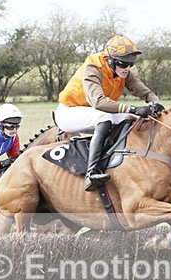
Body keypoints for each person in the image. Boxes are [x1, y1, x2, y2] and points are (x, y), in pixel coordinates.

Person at [55, 35, 165, 191]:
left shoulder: (120, 70)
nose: (127, 68)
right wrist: (133, 108)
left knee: (133, 118)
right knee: (105, 117)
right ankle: (91, 174)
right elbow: (98, 102)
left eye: (131, 64)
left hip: (93, 111)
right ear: (109, 59)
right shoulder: (93, 68)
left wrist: (155, 101)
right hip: (69, 112)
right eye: (123, 63)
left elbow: (139, 87)